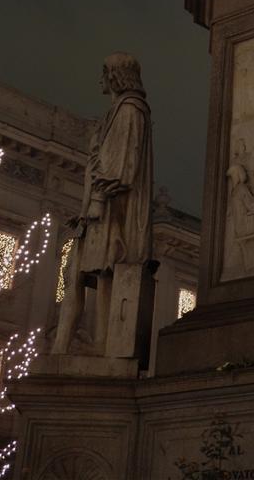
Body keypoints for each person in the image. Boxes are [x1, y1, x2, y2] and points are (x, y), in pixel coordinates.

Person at [53, 52, 153, 355]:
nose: (100, 79)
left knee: (104, 273)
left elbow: (120, 165)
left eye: (104, 72)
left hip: (109, 211)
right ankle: (63, 347)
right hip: (95, 212)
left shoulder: (130, 111)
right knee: (77, 277)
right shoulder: (118, 112)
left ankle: (102, 345)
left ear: (115, 76)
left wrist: (96, 202)